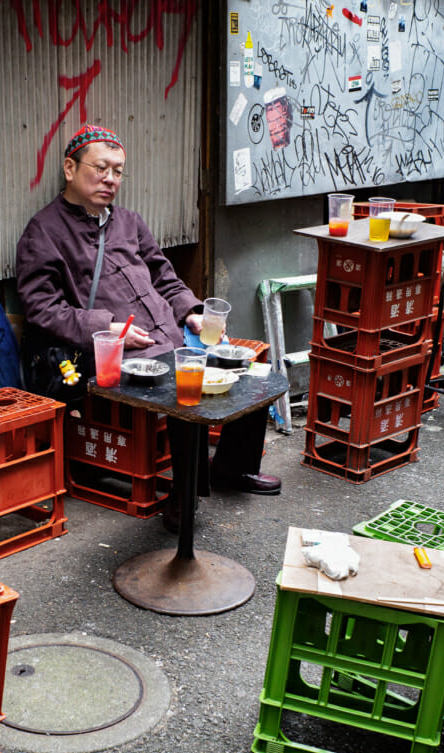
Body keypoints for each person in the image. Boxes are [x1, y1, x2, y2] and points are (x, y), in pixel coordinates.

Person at [15, 124, 280, 529]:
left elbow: (165, 276)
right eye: (101, 168)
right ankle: (185, 493)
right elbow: (40, 308)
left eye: (118, 172)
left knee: (245, 366)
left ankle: (232, 467)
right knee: (185, 388)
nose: (110, 179)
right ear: (70, 168)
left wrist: (190, 310)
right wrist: (108, 326)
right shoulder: (45, 231)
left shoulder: (129, 222)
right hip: (111, 352)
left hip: (168, 335)